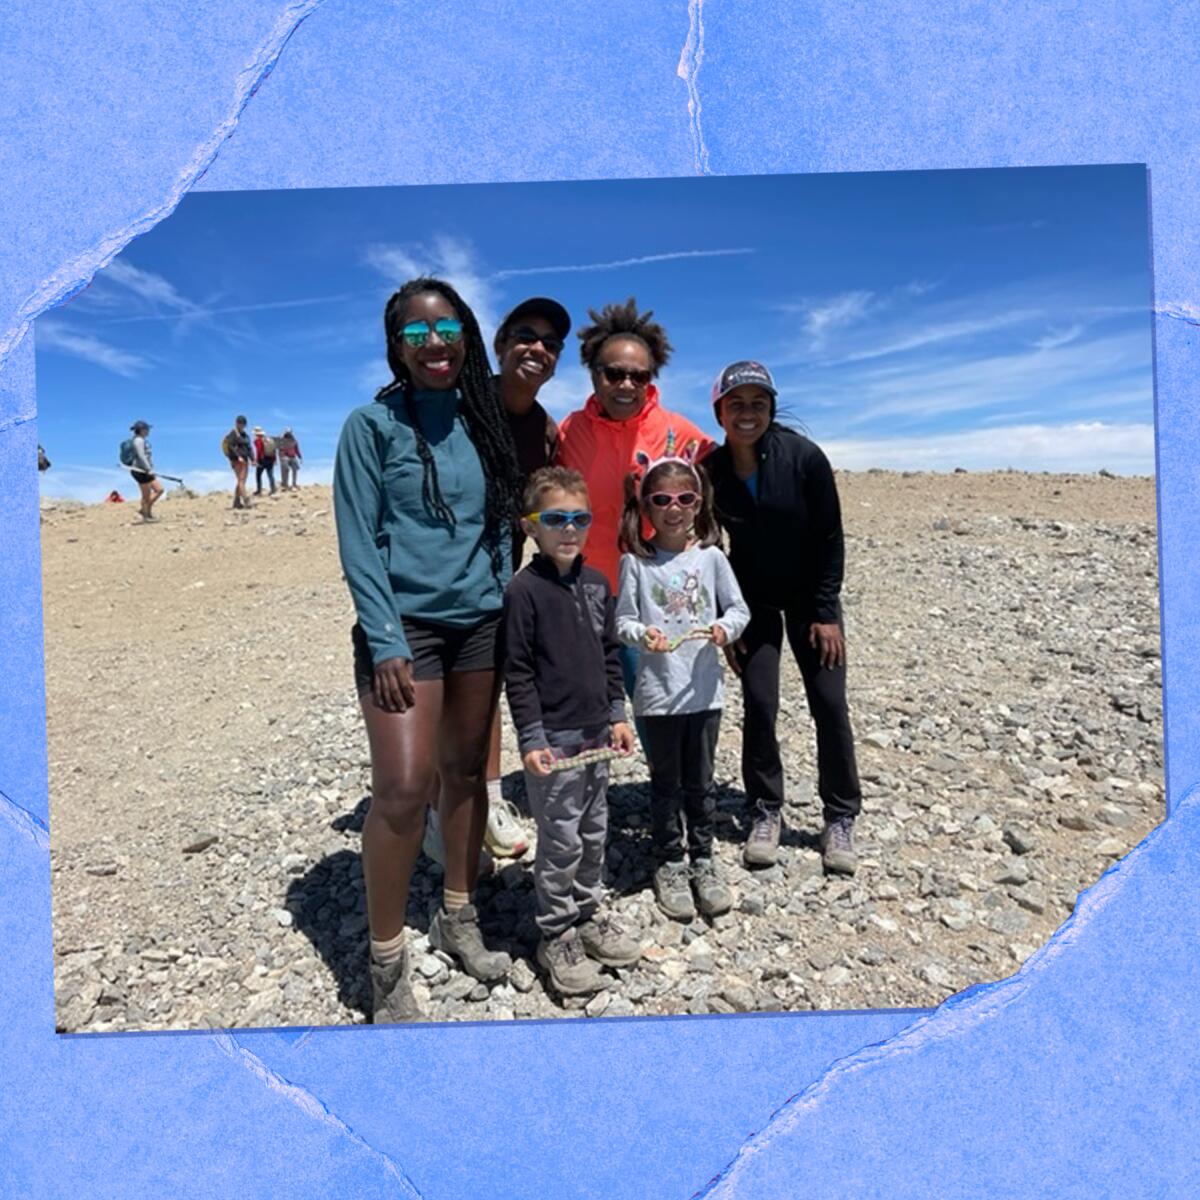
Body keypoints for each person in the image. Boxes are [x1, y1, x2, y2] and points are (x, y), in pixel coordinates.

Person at [333, 276, 523, 1023]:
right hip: (404, 631)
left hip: (477, 625)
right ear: (396, 347)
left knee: (466, 775)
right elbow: (358, 540)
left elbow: (503, 520)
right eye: (417, 333)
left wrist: (501, 595)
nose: (434, 343)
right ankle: (385, 965)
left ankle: (458, 914)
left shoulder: (482, 425)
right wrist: (383, 639)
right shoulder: (369, 428)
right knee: (405, 789)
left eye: (446, 329)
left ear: (467, 338)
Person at [702, 361, 863, 876]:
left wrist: (825, 611)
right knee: (760, 702)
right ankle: (766, 809)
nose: (747, 414)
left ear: (771, 409)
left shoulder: (804, 459)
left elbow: (830, 538)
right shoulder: (713, 470)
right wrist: (725, 618)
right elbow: (709, 549)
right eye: (736, 404)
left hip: (810, 603)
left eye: (758, 403)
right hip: (754, 607)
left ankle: (839, 815)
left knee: (830, 704)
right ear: (720, 412)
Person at [504, 466, 640, 995]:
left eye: (578, 518)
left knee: (593, 830)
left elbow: (610, 655)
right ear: (531, 527)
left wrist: (618, 714)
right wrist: (531, 739)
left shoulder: (596, 583)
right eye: (555, 518)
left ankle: (587, 914)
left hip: (596, 736)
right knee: (559, 838)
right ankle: (555, 931)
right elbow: (518, 672)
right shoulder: (524, 592)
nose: (568, 529)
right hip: (555, 742)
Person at [556, 298, 715, 740]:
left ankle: (678, 793)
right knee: (609, 696)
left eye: (639, 376)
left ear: (651, 379)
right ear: (593, 373)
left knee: (664, 692)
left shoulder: (678, 432)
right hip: (588, 590)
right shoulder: (571, 432)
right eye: (614, 373)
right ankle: (621, 792)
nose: (626, 383)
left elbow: (722, 480)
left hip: (655, 593)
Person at [615, 442, 749, 920]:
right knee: (665, 781)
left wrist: (723, 629)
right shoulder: (637, 562)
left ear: (699, 502)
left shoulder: (711, 558)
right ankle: (670, 860)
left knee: (702, 779)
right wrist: (641, 634)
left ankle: (704, 859)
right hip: (657, 694)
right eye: (662, 500)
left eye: (684, 499)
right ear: (646, 505)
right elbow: (622, 621)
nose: (674, 509)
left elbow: (739, 609)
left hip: (703, 690)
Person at [127, 420, 164, 522]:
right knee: (146, 495)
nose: (148, 431)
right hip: (140, 471)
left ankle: (145, 511)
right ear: (142, 430)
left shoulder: (141, 440)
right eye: (147, 429)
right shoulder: (138, 440)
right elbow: (141, 456)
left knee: (159, 489)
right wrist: (148, 469)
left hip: (146, 470)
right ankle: (146, 516)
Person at [222, 415, 254, 509]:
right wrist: (238, 456)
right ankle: (246, 500)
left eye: (243, 424)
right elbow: (231, 446)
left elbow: (249, 448)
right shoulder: (232, 434)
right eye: (240, 424)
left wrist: (253, 459)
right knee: (241, 480)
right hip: (236, 460)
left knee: (241, 481)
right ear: (236, 423)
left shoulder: (245, 435)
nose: (242, 426)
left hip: (245, 460)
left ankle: (236, 501)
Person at [253, 426, 277, 496]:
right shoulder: (268, 439)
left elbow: (259, 451)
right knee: (270, 475)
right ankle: (273, 490)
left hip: (262, 460)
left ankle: (259, 490)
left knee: (258, 475)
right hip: (271, 459)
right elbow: (273, 450)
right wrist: (275, 459)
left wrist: (257, 461)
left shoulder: (257, 441)